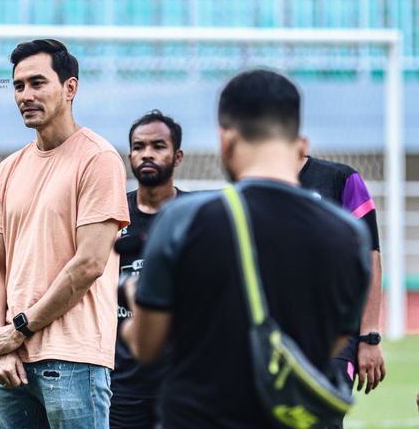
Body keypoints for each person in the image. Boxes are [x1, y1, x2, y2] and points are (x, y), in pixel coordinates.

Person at [121, 69, 371, 429]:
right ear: (301, 145)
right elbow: (335, 342)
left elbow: (147, 347)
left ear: (226, 140)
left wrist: (133, 298)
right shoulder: (349, 235)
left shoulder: (183, 220)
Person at [0, 39, 130, 429]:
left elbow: (89, 264)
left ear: (70, 88)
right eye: (18, 86)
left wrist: (18, 329)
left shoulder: (98, 159)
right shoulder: (10, 167)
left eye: (37, 83)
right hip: (10, 364)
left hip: (74, 360)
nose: (25, 95)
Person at [299, 155, 386, 428]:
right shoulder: (252, 187)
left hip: (334, 337)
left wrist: (369, 335)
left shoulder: (340, 179)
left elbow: (370, 255)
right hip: (273, 336)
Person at [111, 110, 185, 429]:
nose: (148, 154)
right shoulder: (111, 214)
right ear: (130, 155)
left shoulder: (195, 216)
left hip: (182, 380)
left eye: (158, 146)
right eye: (139, 147)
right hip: (122, 382)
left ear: (177, 156)